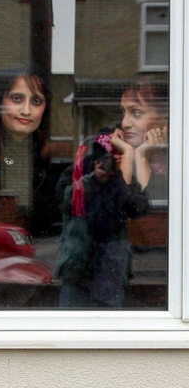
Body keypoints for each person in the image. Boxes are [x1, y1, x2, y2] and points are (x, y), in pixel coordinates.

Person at [55, 81, 165, 308]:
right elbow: (64, 200)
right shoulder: (80, 170)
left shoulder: (123, 176)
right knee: (71, 325)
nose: (109, 158)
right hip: (77, 263)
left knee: (109, 325)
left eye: (116, 151)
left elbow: (139, 207)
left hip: (110, 266)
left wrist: (121, 174)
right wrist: (94, 180)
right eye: (107, 153)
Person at [0, 72, 55, 234]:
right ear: (1, 101)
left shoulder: (40, 149)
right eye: (17, 99)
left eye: (36, 101)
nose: (26, 110)